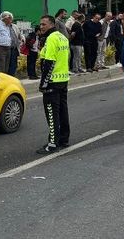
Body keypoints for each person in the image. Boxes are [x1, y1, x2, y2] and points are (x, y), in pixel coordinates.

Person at [36, 15, 70, 154]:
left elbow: (49, 63)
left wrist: (43, 84)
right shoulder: (62, 37)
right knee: (63, 111)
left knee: (51, 113)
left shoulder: (51, 38)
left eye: (44, 24)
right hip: (63, 80)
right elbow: (67, 57)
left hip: (52, 82)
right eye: (40, 24)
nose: (41, 27)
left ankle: (52, 143)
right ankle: (64, 138)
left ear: (51, 24)